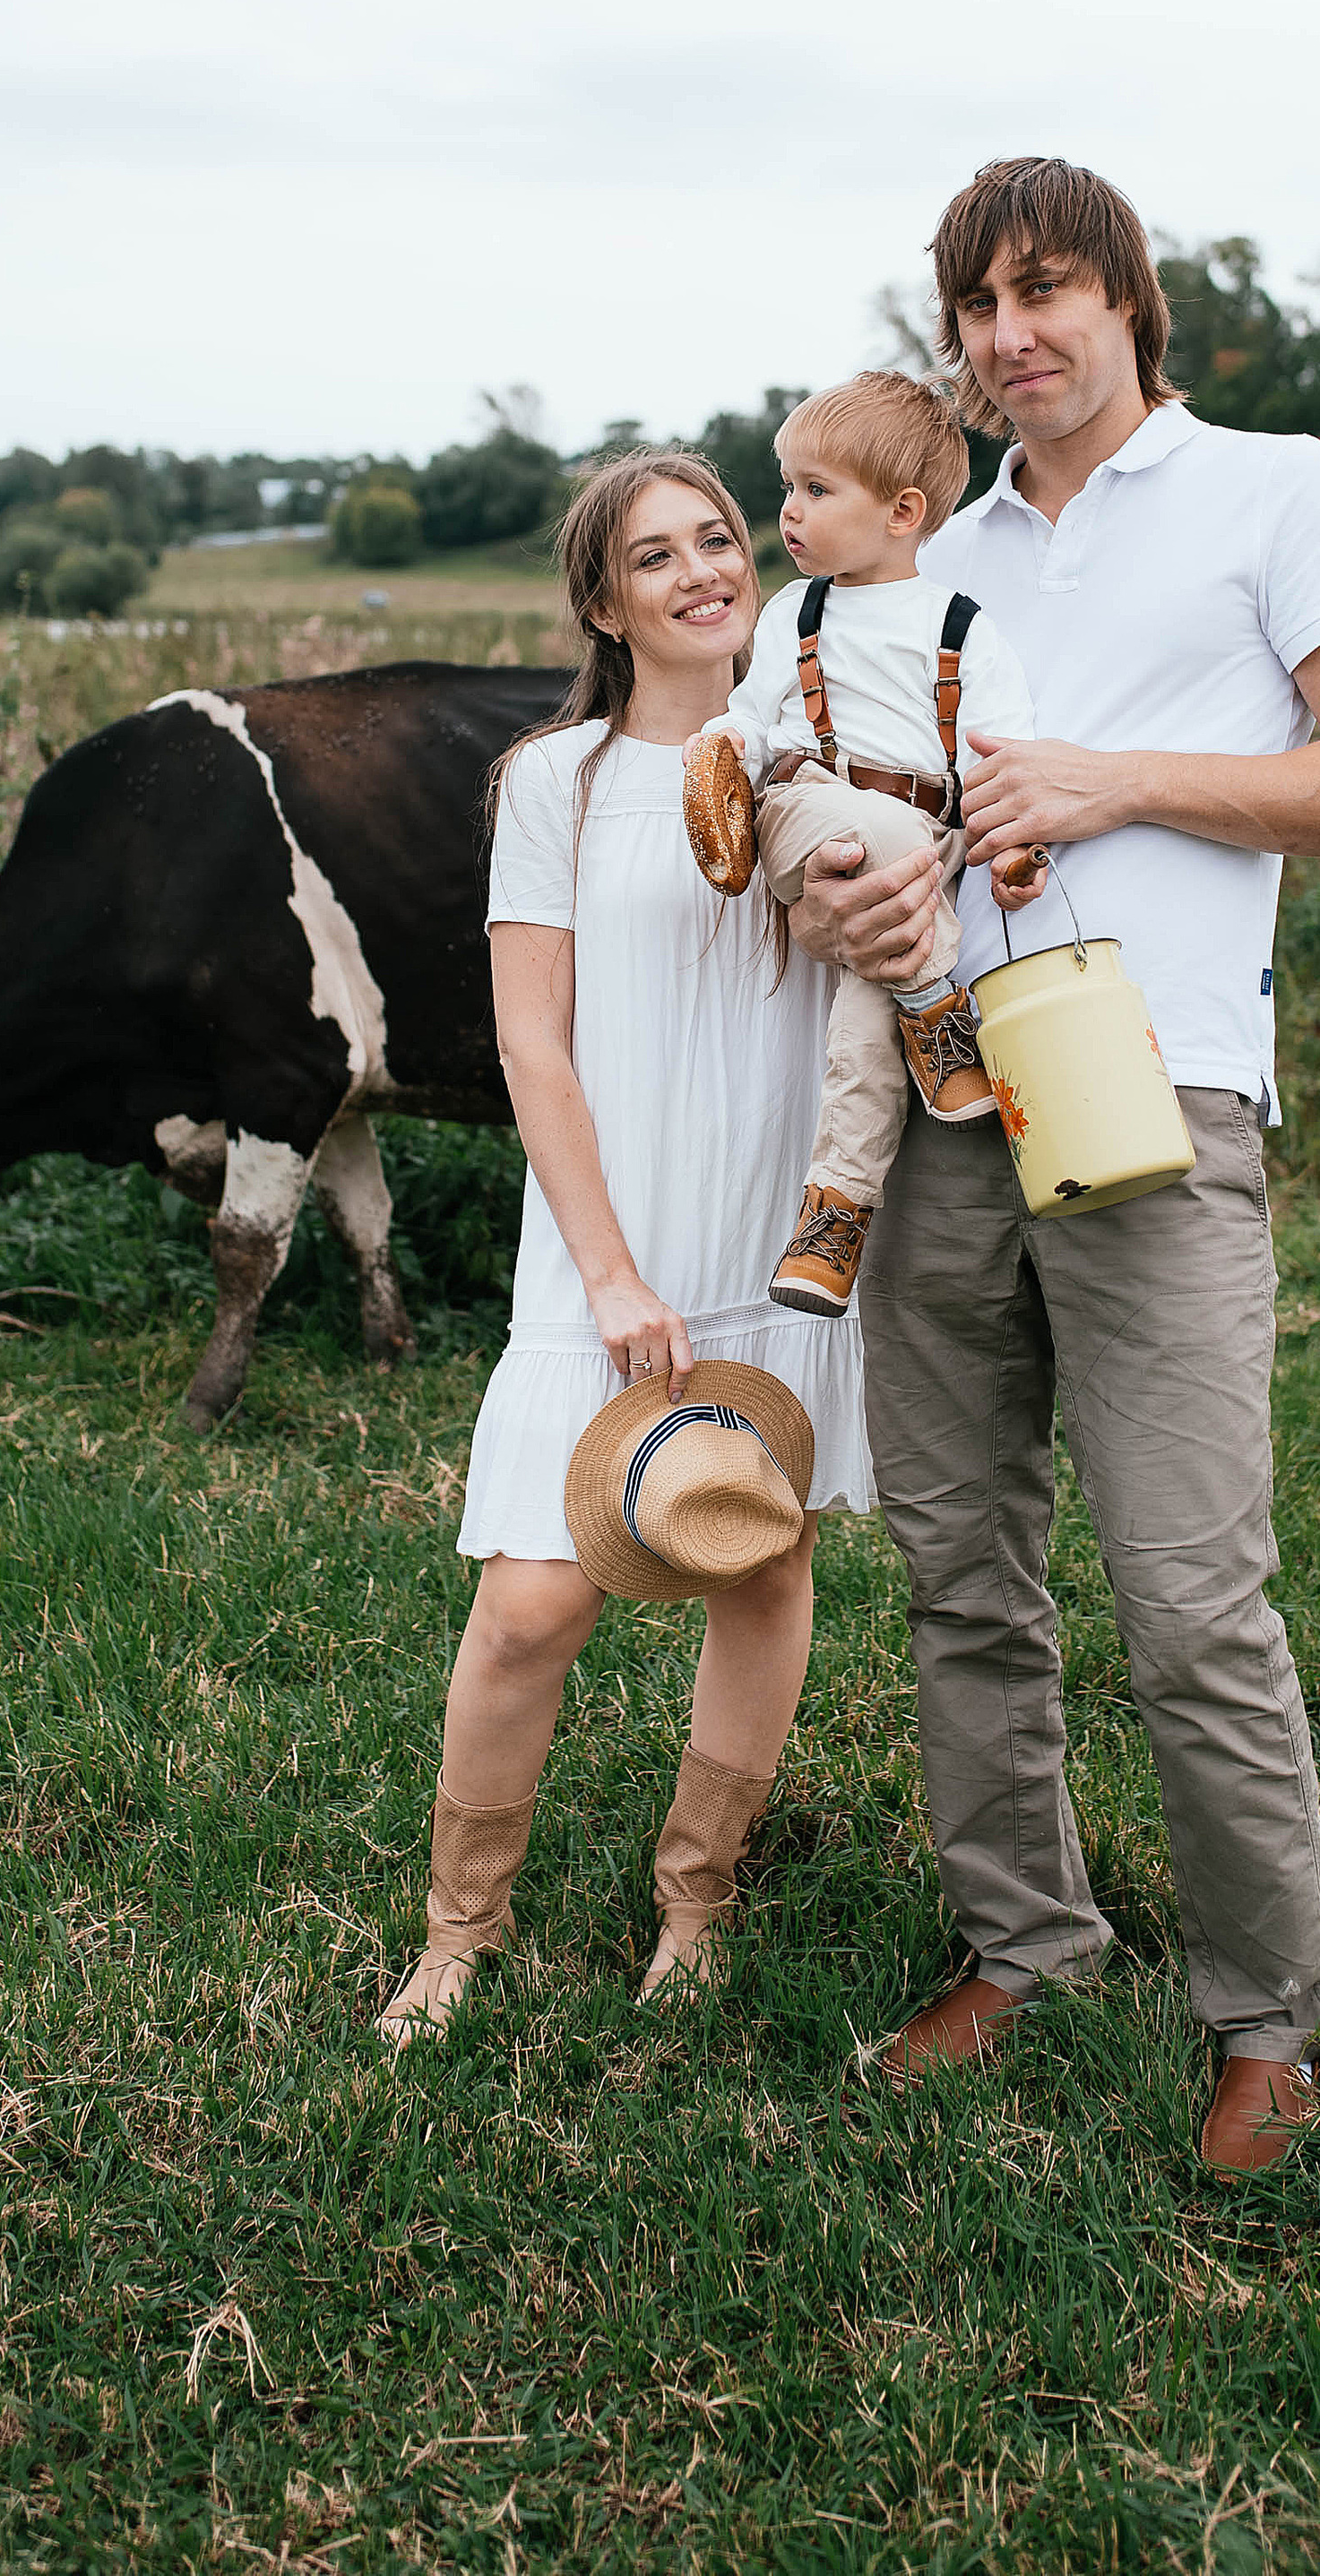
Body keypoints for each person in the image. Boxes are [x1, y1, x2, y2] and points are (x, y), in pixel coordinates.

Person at [787, 157, 1320, 2172]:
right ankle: (1022, 1946)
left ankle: (1266, 2018)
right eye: (977, 308)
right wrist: (858, 898)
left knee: (1184, 1593)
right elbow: (867, 787)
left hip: (1150, 1103)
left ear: (1124, 299)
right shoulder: (937, 547)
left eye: (1044, 291)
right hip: (938, 1098)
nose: (1009, 337)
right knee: (957, 1564)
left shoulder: (1272, 489)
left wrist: (1107, 779)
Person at [375, 449, 876, 2045]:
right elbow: (535, 1044)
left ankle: (696, 1902)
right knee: (534, 1598)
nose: (699, 573)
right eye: (654, 558)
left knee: (760, 1556)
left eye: (719, 540)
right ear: (605, 601)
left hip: (780, 1227)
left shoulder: (828, 745)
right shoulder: (559, 782)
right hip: (614, 1237)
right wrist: (605, 1271)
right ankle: (462, 1931)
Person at [680, 370, 1045, 1320]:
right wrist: (722, 749)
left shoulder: (963, 629)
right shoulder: (792, 618)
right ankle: (937, 1004)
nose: (787, 512)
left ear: (902, 512)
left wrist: (1009, 849)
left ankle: (832, 1215)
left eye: (815, 490)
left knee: (862, 1007)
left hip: (927, 841)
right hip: (808, 807)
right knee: (890, 848)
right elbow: (753, 724)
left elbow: (996, 758)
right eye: (788, 487)